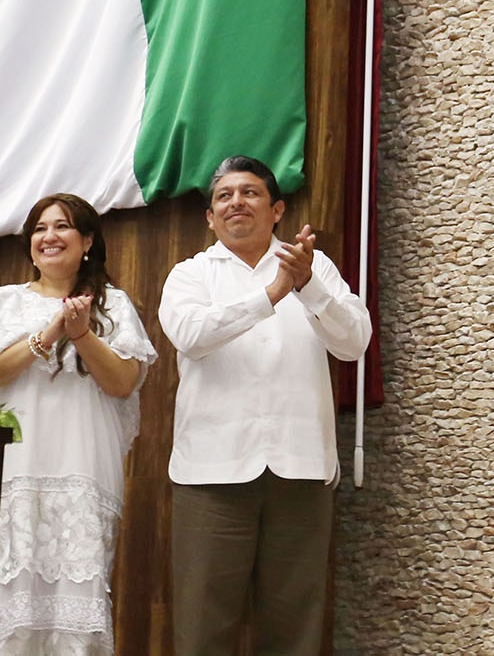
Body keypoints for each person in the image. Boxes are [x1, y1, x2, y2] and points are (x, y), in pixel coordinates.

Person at [160, 156, 371, 656]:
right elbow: (192, 335)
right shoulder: (190, 275)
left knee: (294, 627)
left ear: (276, 209)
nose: (237, 202)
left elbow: (355, 342)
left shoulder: (314, 267)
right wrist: (273, 293)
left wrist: (308, 288)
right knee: (202, 626)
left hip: (300, 469)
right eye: (224, 196)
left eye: (250, 193)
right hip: (212, 473)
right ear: (210, 218)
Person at [0, 194, 157, 656]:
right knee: (9, 605)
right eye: (40, 228)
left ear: (87, 241)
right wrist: (48, 334)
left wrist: (82, 332)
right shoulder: (2, 302)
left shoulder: (113, 305)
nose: (49, 237)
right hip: (13, 473)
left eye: (62, 227)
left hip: (81, 472)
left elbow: (124, 382)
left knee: (74, 610)